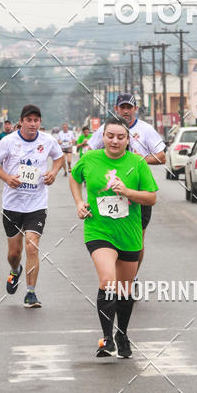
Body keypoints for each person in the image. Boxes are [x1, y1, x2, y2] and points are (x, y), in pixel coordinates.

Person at [70, 117, 158, 358]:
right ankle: (107, 338)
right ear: (103, 137)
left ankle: (122, 334)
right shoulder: (90, 158)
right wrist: (79, 202)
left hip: (129, 233)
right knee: (108, 281)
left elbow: (151, 197)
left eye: (120, 137)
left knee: (124, 290)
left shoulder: (137, 162)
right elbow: (74, 178)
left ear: (128, 140)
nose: (115, 141)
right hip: (99, 230)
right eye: (110, 136)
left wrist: (127, 192)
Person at [0, 103, 64, 308]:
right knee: (14, 253)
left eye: (36, 120)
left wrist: (53, 173)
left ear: (40, 122)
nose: (32, 124)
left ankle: (31, 293)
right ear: (21, 121)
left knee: (32, 245)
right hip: (12, 204)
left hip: (37, 203)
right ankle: (15, 270)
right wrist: (7, 178)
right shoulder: (9, 142)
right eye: (28, 120)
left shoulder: (47, 140)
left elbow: (59, 158)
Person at [88, 93, 165, 278]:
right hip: (109, 192)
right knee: (108, 235)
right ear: (116, 109)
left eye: (129, 107)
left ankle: (131, 276)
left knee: (137, 239)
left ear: (135, 109)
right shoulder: (106, 129)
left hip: (138, 192)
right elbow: (89, 153)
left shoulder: (145, 129)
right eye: (122, 107)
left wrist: (140, 160)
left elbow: (161, 156)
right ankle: (112, 272)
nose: (125, 111)